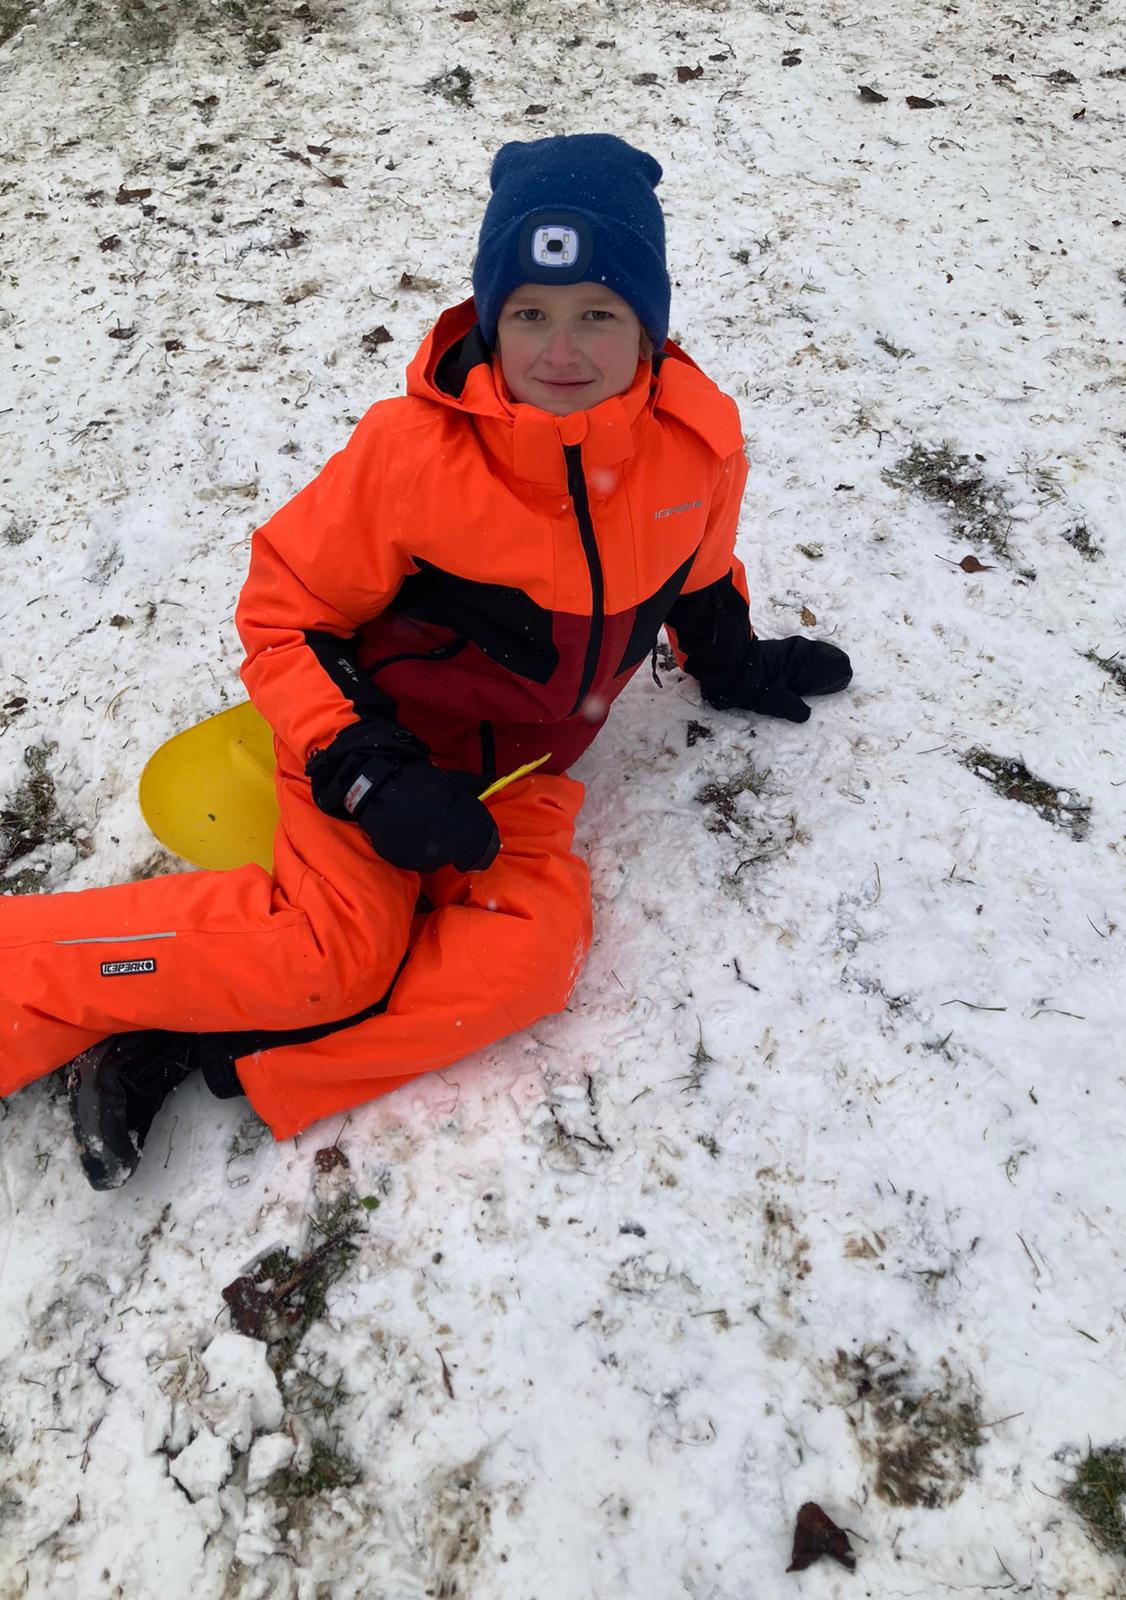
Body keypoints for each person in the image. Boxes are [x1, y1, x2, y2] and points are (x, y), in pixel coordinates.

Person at [0, 134, 852, 1190]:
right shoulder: (414, 457)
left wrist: (732, 662)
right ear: (492, 319)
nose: (562, 347)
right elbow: (283, 614)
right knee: (333, 952)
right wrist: (366, 764)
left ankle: (189, 1048)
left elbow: (700, 570)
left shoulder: (697, 444)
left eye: (599, 310)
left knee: (528, 960)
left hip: (514, 779)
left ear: (652, 326)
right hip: (372, 741)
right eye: (530, 313)